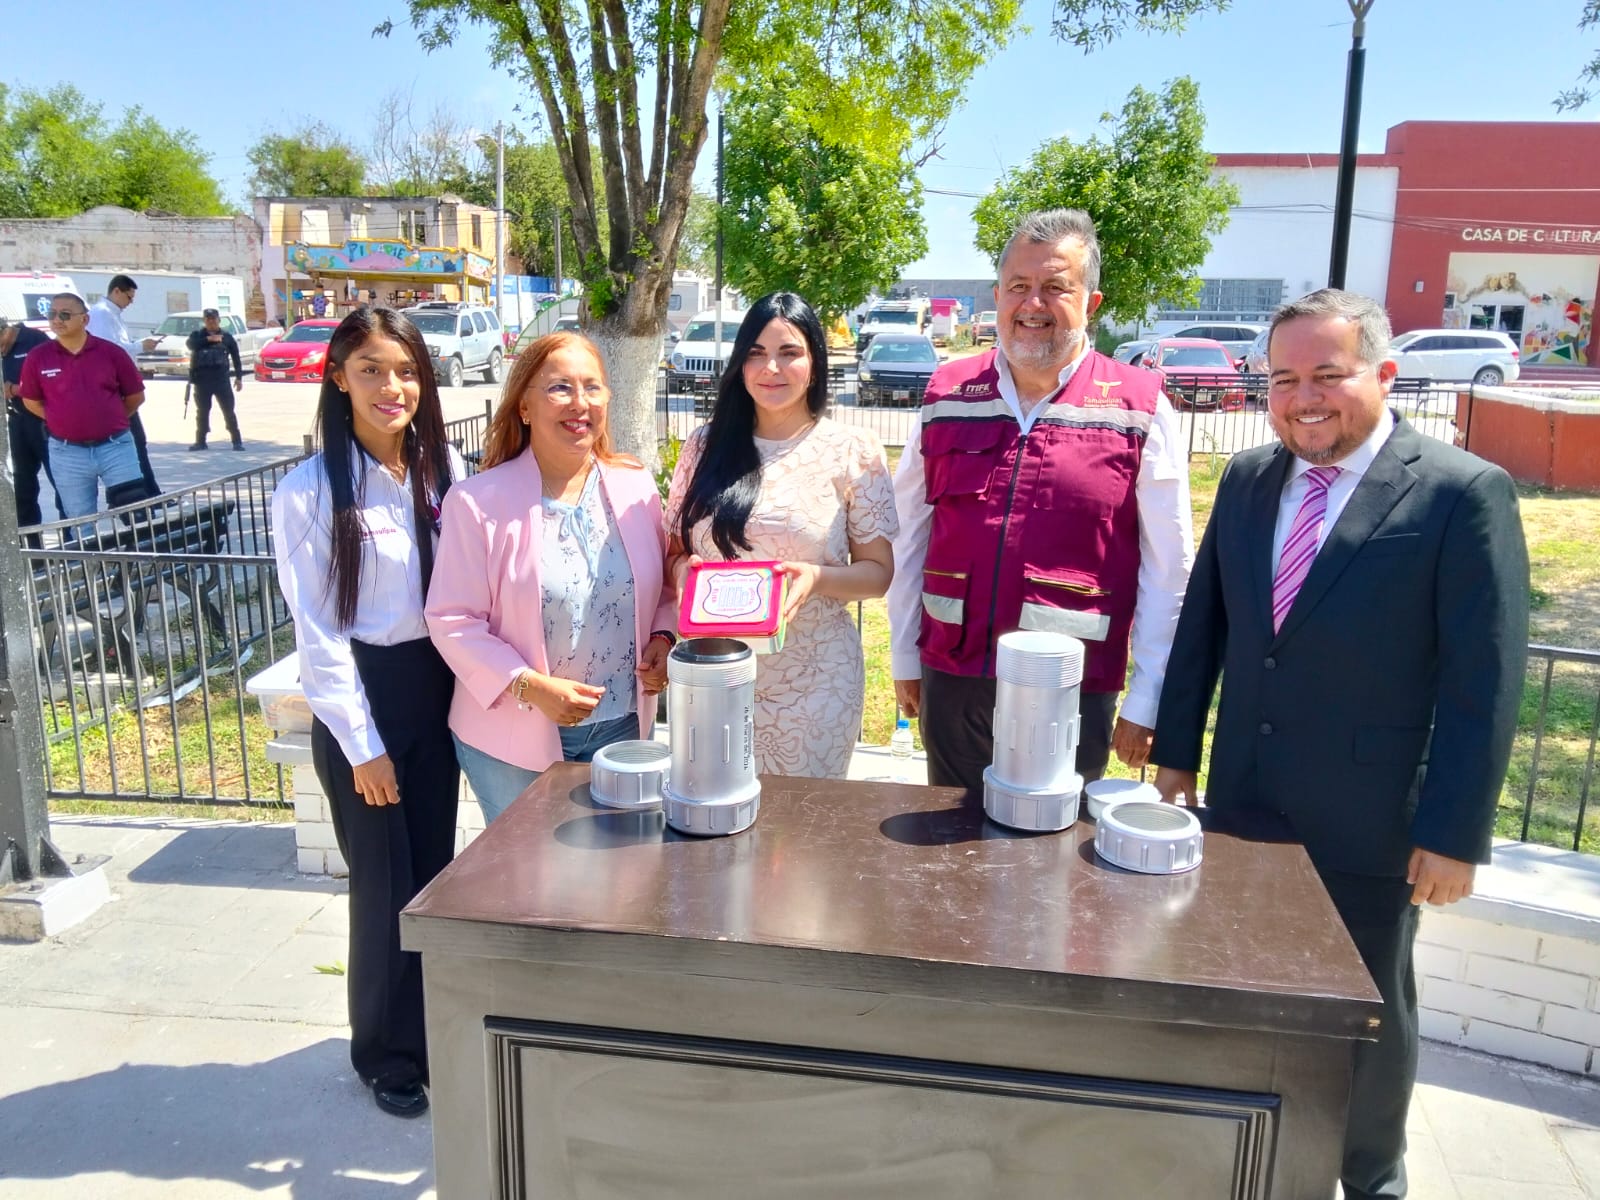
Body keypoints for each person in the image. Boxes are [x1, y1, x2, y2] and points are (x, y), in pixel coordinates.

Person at [1150, 288, 1530, 1200]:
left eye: (1328, 374)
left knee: (1366, 1025)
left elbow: (1484, 681)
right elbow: (1206, 624)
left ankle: (1370, 1181)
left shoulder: (1460, 493)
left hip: (1371, 822)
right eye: (1283, 380)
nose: (1303, 399)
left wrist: (1454, 833)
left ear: (1385, 374)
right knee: (1243, 995)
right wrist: (1177, 756)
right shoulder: (1248, 480)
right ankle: (1248, 1165)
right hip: (1244, 803)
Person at [887, 208, 1193, 792]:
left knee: (1052, 844)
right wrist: (905, 656)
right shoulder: (947, 394)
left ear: (1091, 303)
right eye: (1019, 286)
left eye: (1056, 288)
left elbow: (1168, 567)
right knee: (942, 839)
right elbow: (909, 536)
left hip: (1071, 685)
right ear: (997, 296)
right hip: (952, 675)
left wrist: (1148, 695)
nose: (1033, 304)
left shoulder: (1141, 407)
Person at [271, 306, 463, 1119]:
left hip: (436, 690)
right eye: (372, 369)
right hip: (366, 698)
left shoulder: (442, 471)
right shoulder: (309, 492)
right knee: (384, 889)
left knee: (432, 877)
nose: (393, 387)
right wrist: (362, 745)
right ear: (338, 377)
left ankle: (427, 1035)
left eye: (408, 370)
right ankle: (385, 1054)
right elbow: (318, 635)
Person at [425, 332, 676, 823]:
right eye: (560, 387)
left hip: (622, 726)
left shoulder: (635, 486)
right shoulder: (476, 502)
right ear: (524, 406)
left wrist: (663, 639)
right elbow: (453, 620)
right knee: (530, 868)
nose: (580, 403)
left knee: (619, 861)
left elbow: (664, 586)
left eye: (592, 387)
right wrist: (530, 686)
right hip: (513, 736)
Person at [665, 292, 897, 778]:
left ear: (815, 362)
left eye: (789, 352)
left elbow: (877, 574)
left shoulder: (852, 449)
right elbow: (675, 552)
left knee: (800, 823)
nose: (771, 368)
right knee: (713, 811)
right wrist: (684, 573)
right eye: (756, 353)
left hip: (815, 685)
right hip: (714, 674)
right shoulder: (703, 446)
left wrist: (816, 577)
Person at [18, 293, 149, 522]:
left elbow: (135, 396)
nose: (56, 319)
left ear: (84, 319)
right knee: (80, 521)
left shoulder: (111, 353)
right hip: (67, 453)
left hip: (115, 447)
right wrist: (60, 419)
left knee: (136, 513)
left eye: (65, 315)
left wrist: (110, 419)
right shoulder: (38, 357)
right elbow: (30, 401)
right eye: (52, 314)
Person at [85, 273, 160, 497]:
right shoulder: (102, 314)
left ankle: (150, 494)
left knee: (137, 441)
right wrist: (140, 346)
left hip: (123, 384)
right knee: (132, 441)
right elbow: (111, 350)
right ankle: (146, 496)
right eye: (129, 297)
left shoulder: (112, 314)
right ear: (116, 291)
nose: (130, 303)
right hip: (113, 387)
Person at [0, 315, 65, 536]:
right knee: (21, 485)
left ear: (6, 330)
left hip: (43, 420)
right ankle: (29, 544)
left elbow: (54, 379)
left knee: (60, 480)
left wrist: (15, 389)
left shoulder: (35, 340)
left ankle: (71, 539)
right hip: (16, 421)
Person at [186, 307, 244, 451]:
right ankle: (200, 441)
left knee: (228, 411)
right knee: (202, 412)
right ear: (204, 321)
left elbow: (236, 357)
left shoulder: (226, 337)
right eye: (208, 319)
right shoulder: (198, 336)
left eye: (214, 319)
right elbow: (191, 345)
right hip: (202, 381)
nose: (211, 322)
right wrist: (208, 339)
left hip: (221, 380)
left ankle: (236, 441)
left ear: (219, 320)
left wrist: (238, 377)